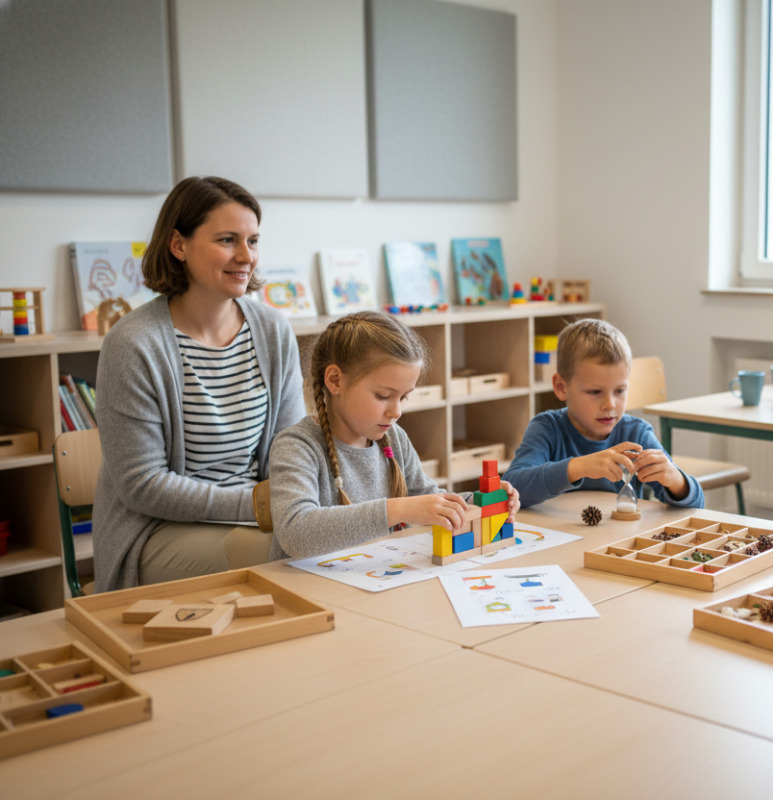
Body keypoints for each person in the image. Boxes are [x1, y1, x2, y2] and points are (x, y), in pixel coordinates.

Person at [94, 176, 305, 592]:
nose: (247, 256)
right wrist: (263, 507)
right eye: (228, 240)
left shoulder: (272, 330)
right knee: (291, 555)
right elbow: (144, 487)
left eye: (253, 241)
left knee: (323, 542)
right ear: (179, 245)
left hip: (259, 518)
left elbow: (291, 446)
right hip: (158, 532)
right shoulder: (133, 344)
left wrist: (294, 501)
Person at [268, 311, 518, 559]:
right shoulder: (297, 446)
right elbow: (295, 532)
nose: (396, 411)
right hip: (305, 587)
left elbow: (428, 498)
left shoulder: (394, 438)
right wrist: (397, 510)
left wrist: (483, 500)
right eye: (383, 396)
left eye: (404, 397)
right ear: (335, 381)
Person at [506, 318, 703, 508]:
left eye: (620, 391)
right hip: (559, 539)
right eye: (594, 392)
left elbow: (696, 505)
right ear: (561, 387)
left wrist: (676, 481)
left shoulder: (636, 434)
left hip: (621, 539)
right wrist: (579, 467)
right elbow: (512, 488)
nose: (609, 404)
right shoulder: (547, 428)